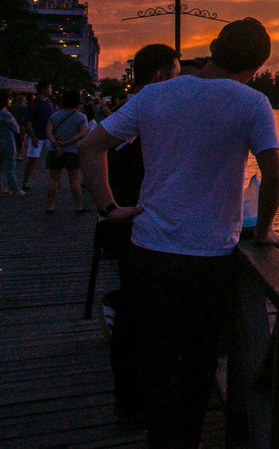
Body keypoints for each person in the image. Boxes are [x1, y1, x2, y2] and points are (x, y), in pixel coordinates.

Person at [81, 18, 279, 449]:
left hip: (149, 249)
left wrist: (108, 208)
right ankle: (187, 439)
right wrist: (263, 231)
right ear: (254, 69)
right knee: (199, 360)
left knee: (155, 358)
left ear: (213, 49)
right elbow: (273, 176)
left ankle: (160, 436)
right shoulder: (252, 103)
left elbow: (90, 145)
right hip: (210, 257)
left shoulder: (155, 94)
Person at [101, 43, 181, 423]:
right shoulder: (145, 110)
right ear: (162, 76)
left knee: (137, 314)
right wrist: (111, 208)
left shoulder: (128, 112)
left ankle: (134, 398)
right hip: (135, 229)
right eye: (177, 74)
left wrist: (107, 209)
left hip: (130, 226)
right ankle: (135, 401)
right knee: (138, 317)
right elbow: (89, 148)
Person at [46, 89, 89, 212]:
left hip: (54, 151)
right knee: (74, 179)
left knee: (53, 178)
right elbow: (82, 134)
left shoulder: (54, 115)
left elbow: (48, 132)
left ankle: (50, 205)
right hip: (73, 151)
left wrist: (56, 144)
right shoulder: (81, 117)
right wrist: (66, 143)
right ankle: (78, 205)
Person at [21, 80, 54, 192]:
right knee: (32, 160)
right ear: (43, 89)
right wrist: (33, 137)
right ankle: (26, 181)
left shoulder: (50, 102)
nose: (51, 90)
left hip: (49, 136)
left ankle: (54, 181)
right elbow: (28, 122)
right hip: (37, 136)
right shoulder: (34, 104)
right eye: (49, 87)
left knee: (53, 160)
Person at [0, 89, 24, 196]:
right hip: (8, 143)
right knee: (10, 168)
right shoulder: (6, 114)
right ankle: (14, 188)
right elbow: (16, 128)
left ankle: (2, 187)